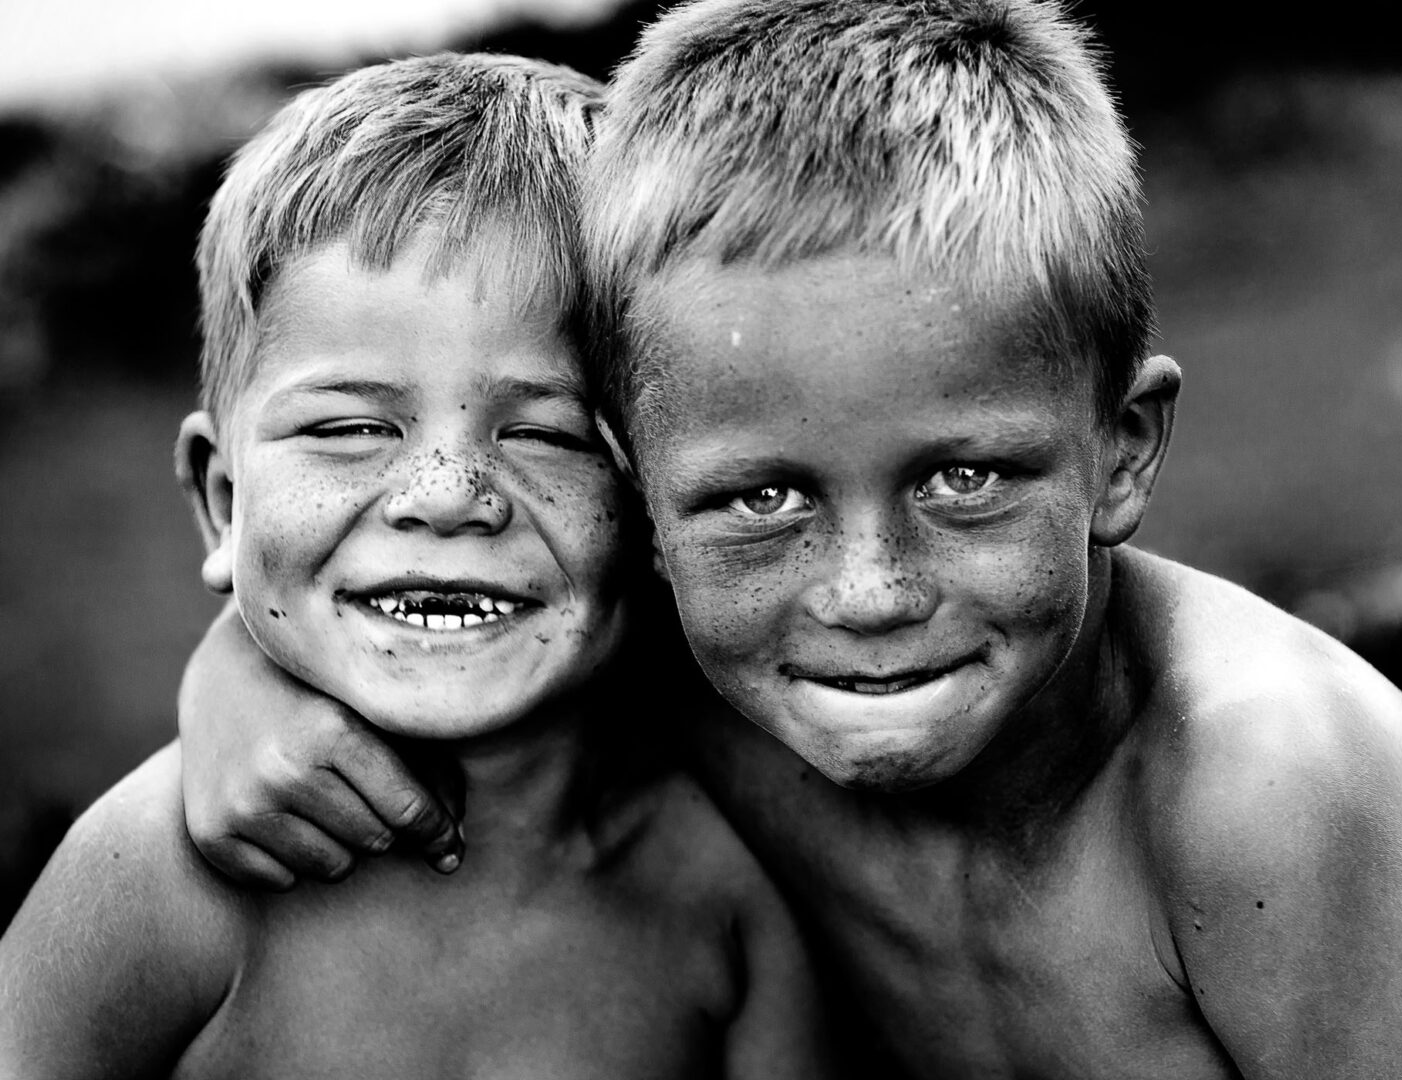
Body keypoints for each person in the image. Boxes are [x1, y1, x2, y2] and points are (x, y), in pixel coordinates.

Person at [168, 3, 1402, 1078]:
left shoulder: (1252, 789)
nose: (865, 594)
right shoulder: (703, 674)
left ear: (1123, 449)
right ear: (637, 496)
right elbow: (430, 607)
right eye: (763, 499)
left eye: (964, 479)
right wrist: (238, 682)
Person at [0, 52, 832, 1080]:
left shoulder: (724, 904)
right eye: (350, 427)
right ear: (223, 498)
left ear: (661, 501)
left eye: (550, 435)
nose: (446, 494)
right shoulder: (155, 881)